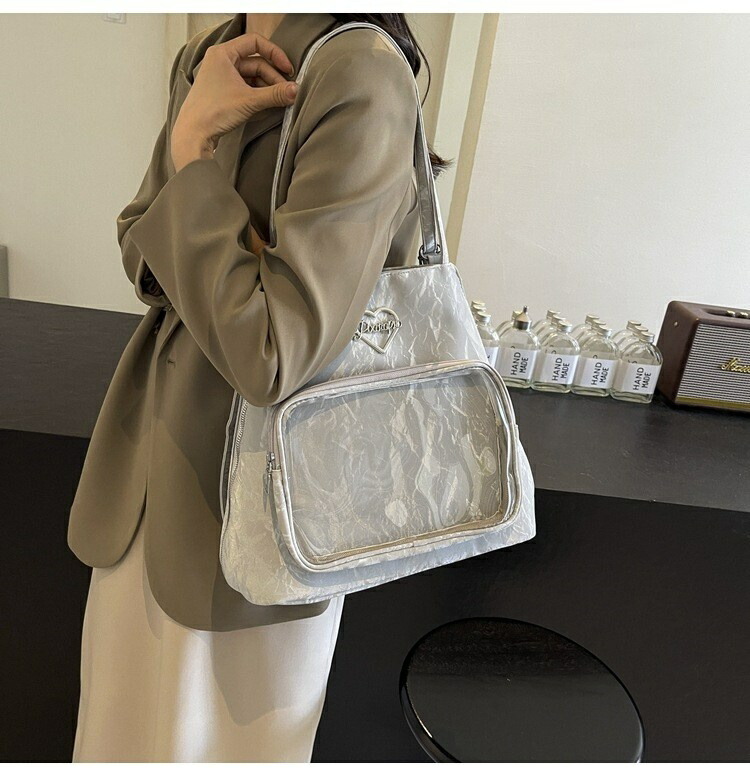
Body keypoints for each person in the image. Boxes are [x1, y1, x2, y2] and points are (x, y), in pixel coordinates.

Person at [68, 11, 447, 762]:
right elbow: (141, 250)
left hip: (261, 518)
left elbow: (274, 353)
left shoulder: (361, 73)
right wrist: (194, 147)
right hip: (150, 478)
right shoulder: (213, 52)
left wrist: (191, 157)